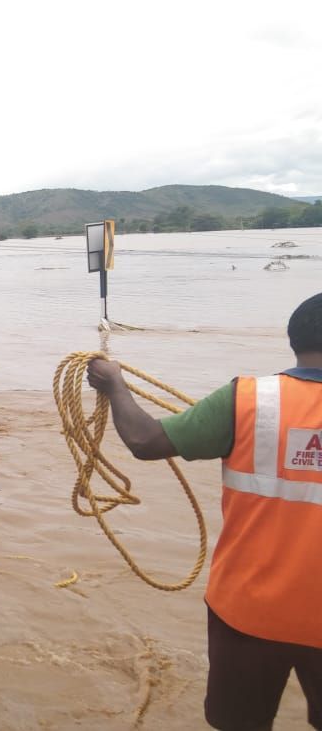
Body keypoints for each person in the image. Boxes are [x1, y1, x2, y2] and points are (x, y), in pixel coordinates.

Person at [86, 291, 322, 731]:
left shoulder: (250, 400)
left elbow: (145, 440)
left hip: (249, 612)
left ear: (293, 340)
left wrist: (115, 384)